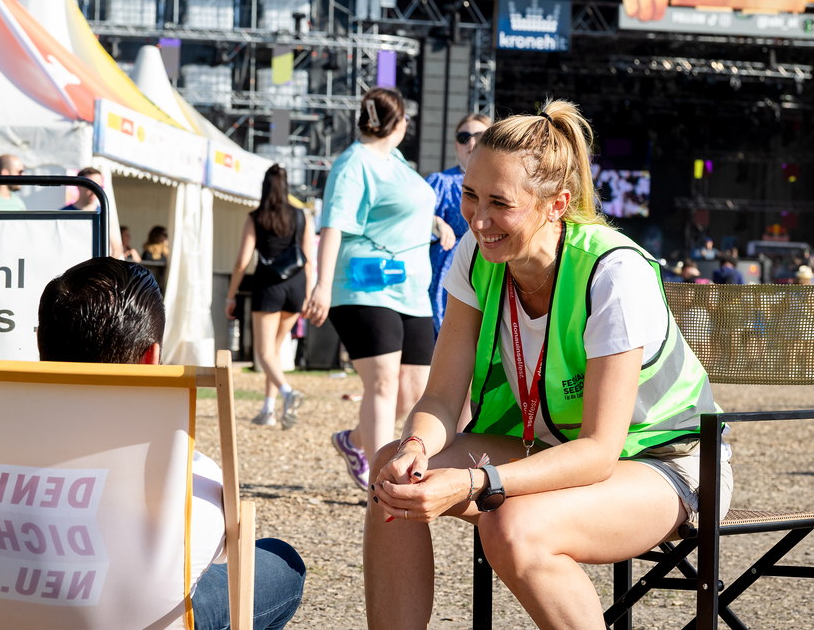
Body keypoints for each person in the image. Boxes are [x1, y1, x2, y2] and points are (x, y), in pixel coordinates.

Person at [363, 100, 732, 630]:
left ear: (557, 204)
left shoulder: (613, 271)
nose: (479, 219)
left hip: (668, 463)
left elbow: (599, 452)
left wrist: (473, 483)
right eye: (470, 195)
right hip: (552, 449)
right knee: (391, 475)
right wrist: (415, 447)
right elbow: (441, 397)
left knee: (512, 528)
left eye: (500, 203)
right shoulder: (476, 253)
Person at [38, 257, 306, 630]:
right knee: (281, 562)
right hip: (141, 622)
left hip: (2, 610)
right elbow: (220, 554)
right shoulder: (190, 476)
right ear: (152, 357)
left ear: (41, 344)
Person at [303, 87, 435, 489]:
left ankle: (354, 441)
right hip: (364, 286)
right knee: (382, 382)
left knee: (414, 389)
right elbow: (333, 226)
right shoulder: (353, 162)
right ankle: (382, 487)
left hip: (412, 290)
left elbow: (405, 206)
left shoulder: (395, 160)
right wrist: (322, 285)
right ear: (399, 123)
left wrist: (437, 223)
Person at [226, 165, 314, 429]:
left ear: (264, 187)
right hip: (296, 286)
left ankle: (288, 393)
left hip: (268, 286)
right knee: (274, 351)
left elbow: (243, 261)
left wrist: (231, 296)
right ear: (287, 187)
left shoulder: (256, 217)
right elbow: (308, 260)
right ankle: (268, 410)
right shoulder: (302, 216)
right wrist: (308, 294)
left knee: (263, 352)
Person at [426, 113, 492, 340]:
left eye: (479, 136)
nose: (471, 142)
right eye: (464, 137)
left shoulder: (503, 183)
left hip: (490, 264)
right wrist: (436, 222)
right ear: (456, 144)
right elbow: (412, 217)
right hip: (449, 268)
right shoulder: (441, 182)